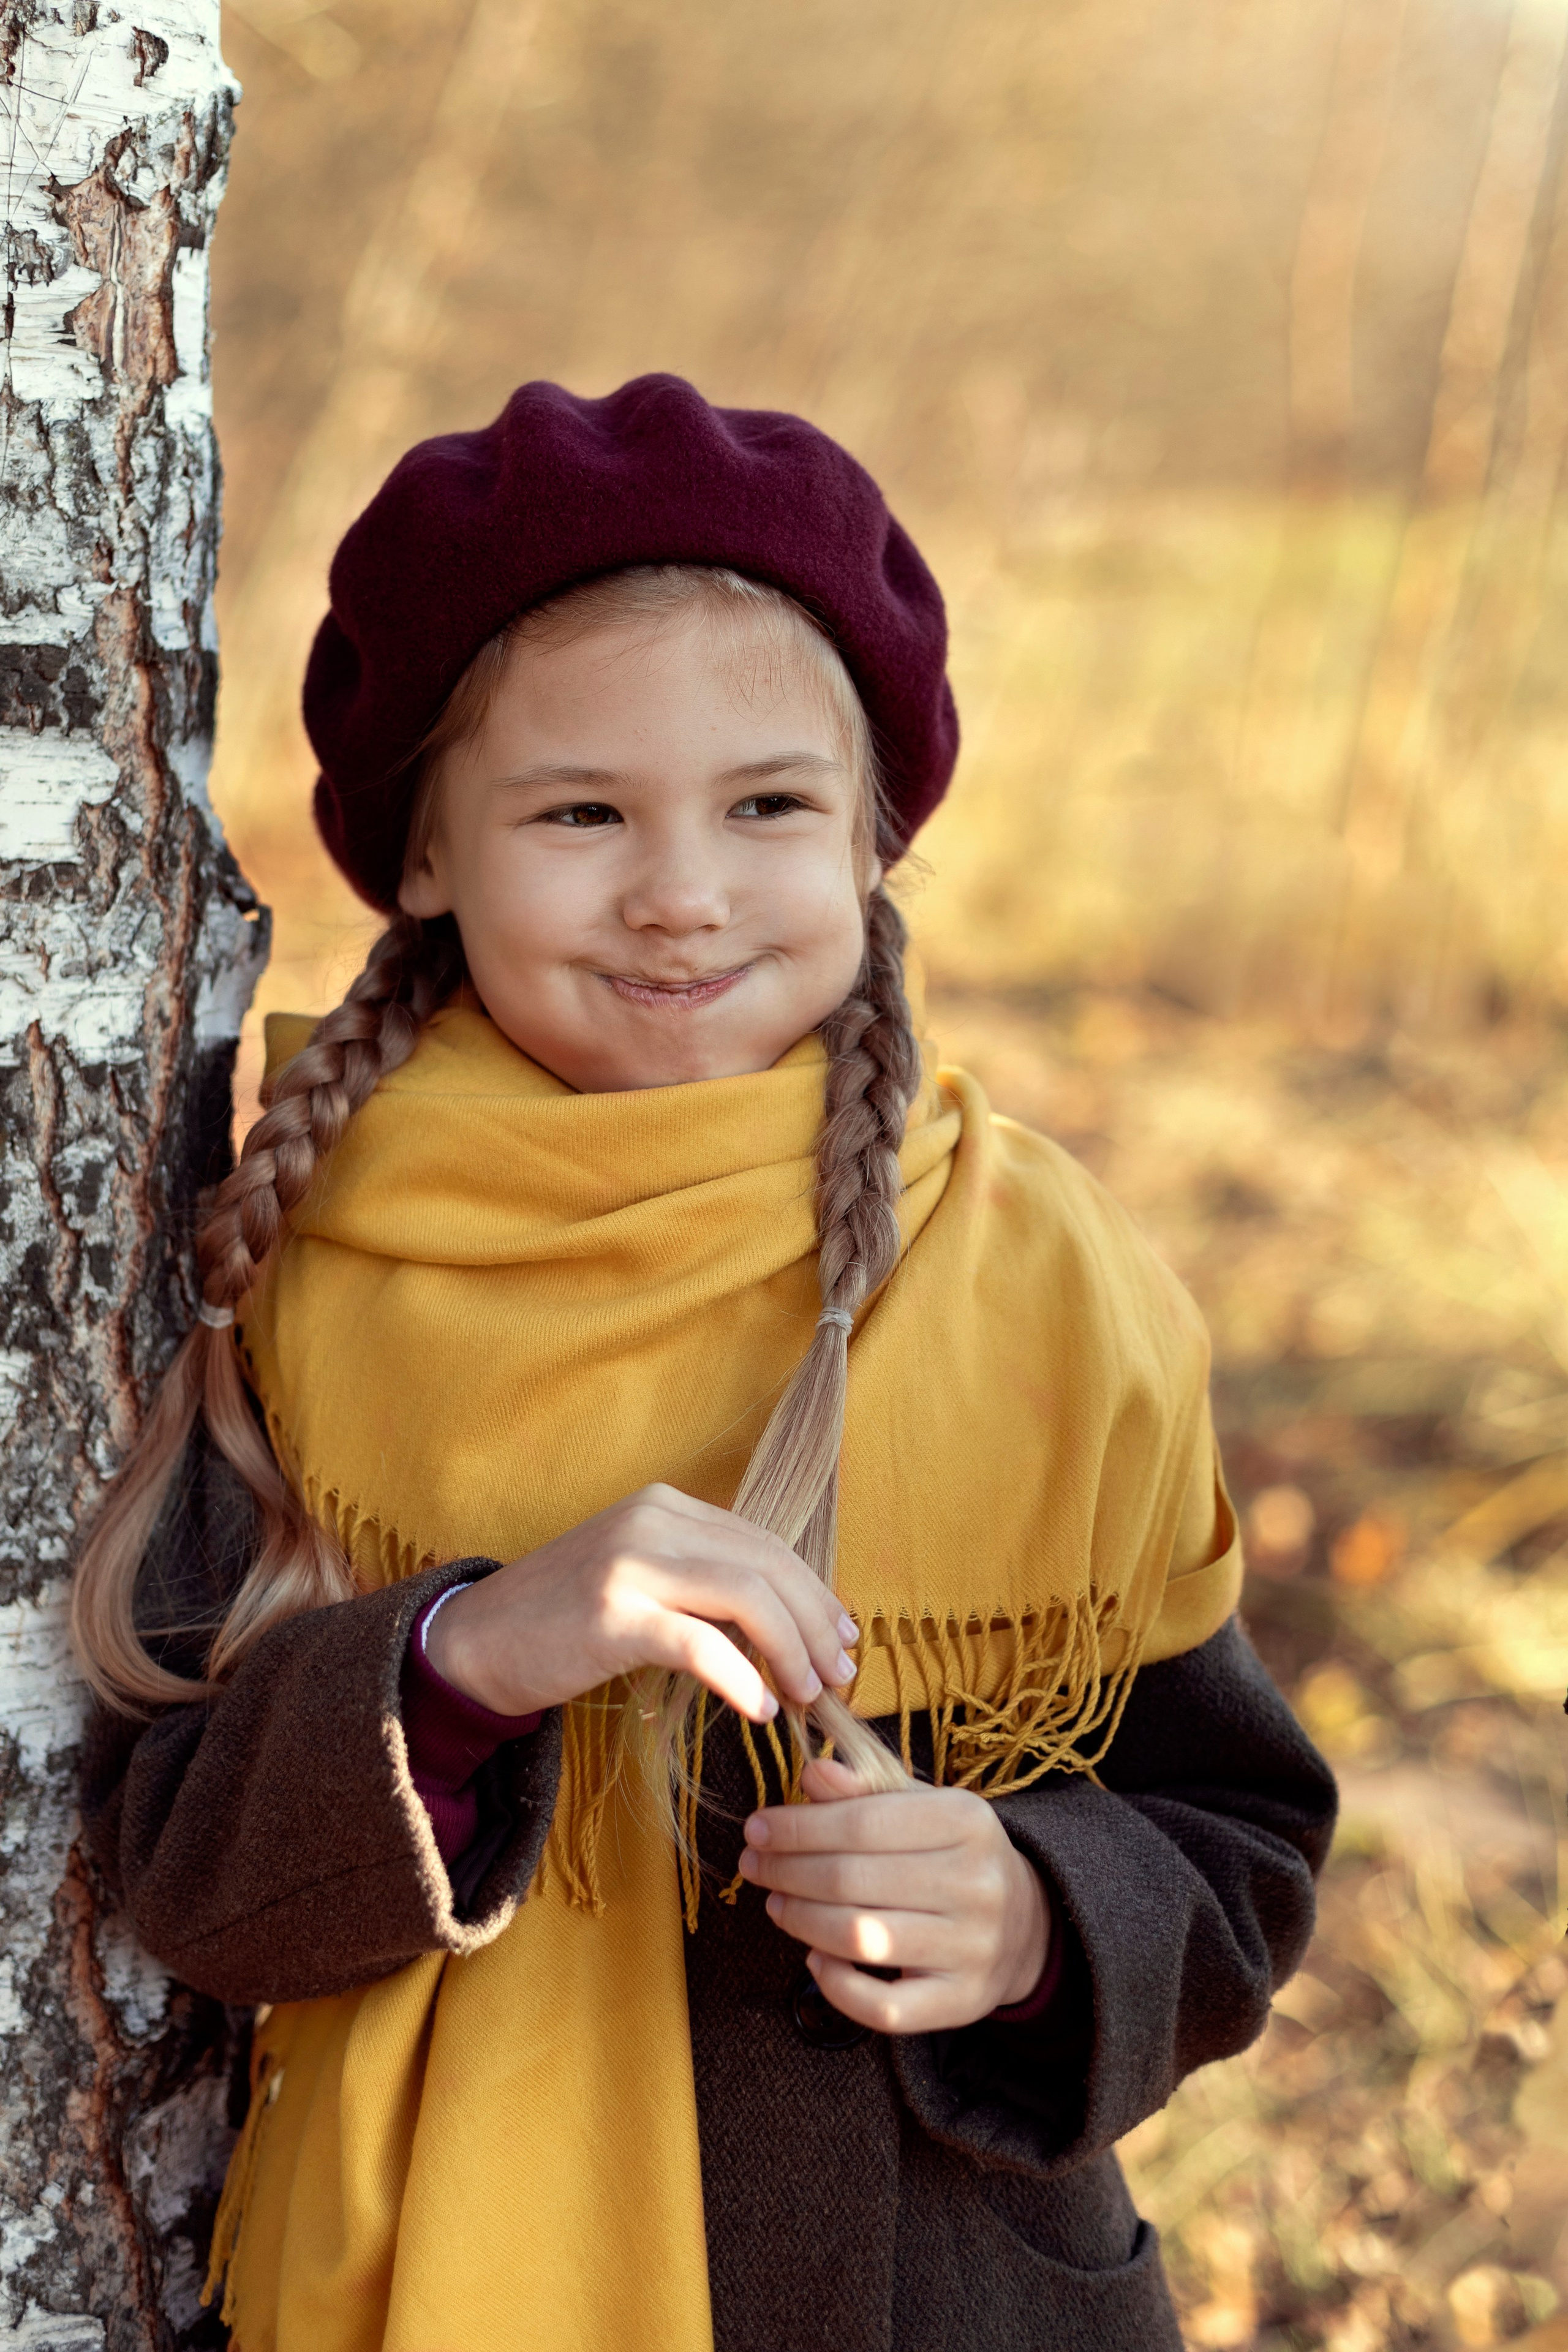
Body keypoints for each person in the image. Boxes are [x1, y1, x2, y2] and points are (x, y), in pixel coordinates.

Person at [75, 374, 1336, 2352]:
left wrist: (1032, 1914)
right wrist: (473, 1654)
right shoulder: (302, 1264)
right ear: (426, 853)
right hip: (434, 2280)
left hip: (936, 2298)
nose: (682, 892)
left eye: (769, 807)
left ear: (873, 834)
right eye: (582, 813)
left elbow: (1236, 1841)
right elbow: (187, 1878)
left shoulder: (1042, 1277)